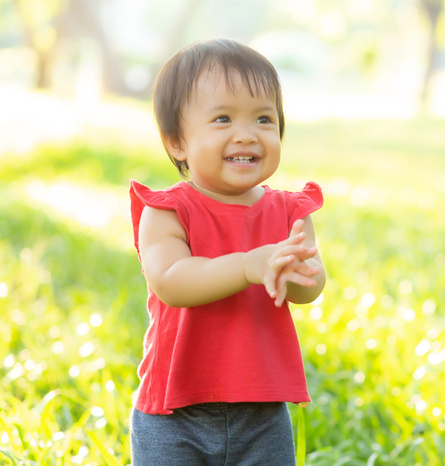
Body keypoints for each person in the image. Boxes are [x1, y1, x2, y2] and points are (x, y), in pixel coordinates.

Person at [128, 38, 325, 465]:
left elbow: (310, 288)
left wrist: (298, 274)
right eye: (222, 118)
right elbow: (172, 282)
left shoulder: (291, 211)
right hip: (175, 413)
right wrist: (250, 265)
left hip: (263, 413)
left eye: (263, 118)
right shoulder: (166, 212)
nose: (246, 134)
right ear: (177, 141)